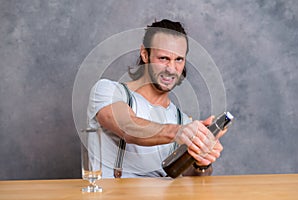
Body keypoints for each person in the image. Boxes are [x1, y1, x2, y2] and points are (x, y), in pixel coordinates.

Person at [87, 19, 225, 178]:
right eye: (164, 58)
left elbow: (189, 178)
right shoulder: (108, 91)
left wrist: (202, 162)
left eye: (178, 59)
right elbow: (128, 127)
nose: (171, 69)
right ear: (145, 54)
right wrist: (177, 132)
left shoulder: (183, 120)